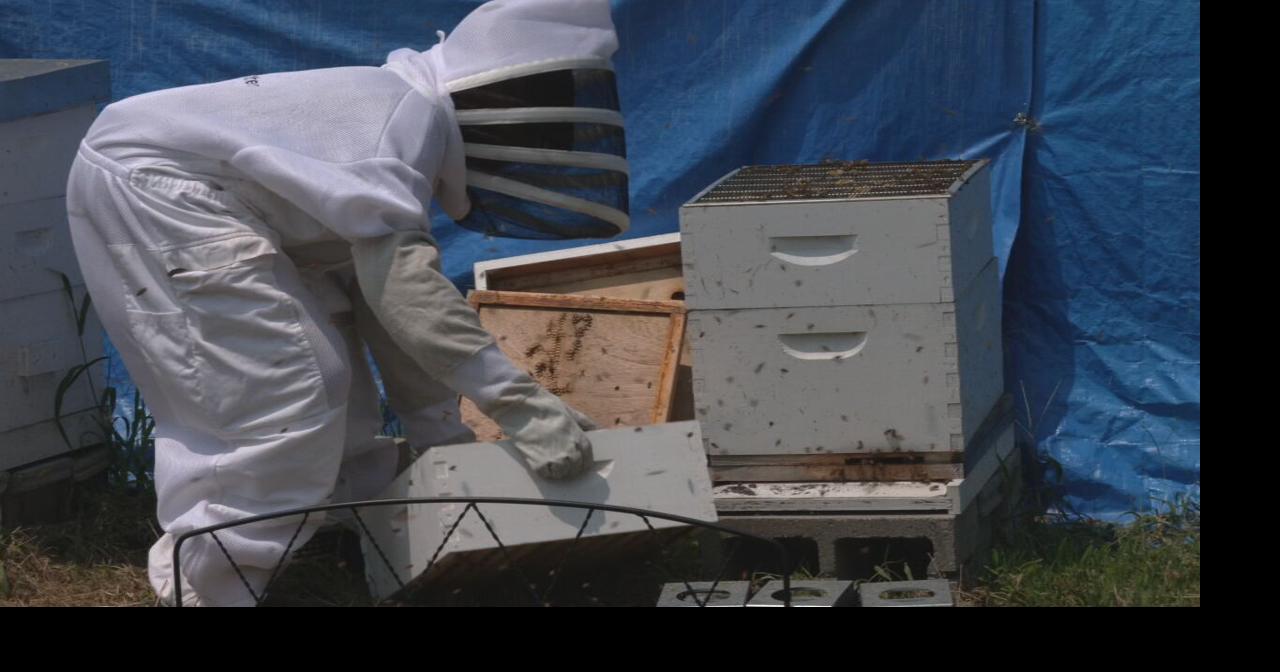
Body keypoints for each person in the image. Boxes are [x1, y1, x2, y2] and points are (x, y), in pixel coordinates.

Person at [65, 0, 629, 606]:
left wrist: (441, 437)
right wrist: (521, 406)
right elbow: (408, 297)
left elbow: (390, 314)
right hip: (164, 192)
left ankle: (341, 548)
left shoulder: (404, 126)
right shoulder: (401, 125)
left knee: (348, 401)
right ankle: (208, 589)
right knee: (285, 397)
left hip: (193, 189)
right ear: (503, 100)